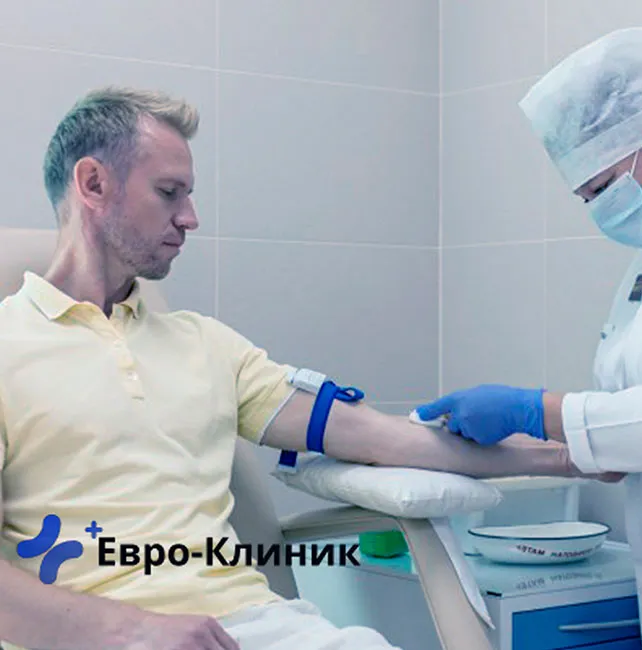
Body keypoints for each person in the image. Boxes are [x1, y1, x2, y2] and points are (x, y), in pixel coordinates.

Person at [0, 87, 609, 650]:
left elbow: (385, 439)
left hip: (255, 627)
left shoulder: (206, 345)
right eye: (169, 192)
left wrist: (572, 453)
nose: (190, 217)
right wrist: (132, 630)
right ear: (93, 183)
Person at [415, 26, 642, 648]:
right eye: (585, 196)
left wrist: (533, 410)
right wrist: (549, 441)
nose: (599, 208)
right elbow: (620, 434)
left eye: (603, 187)